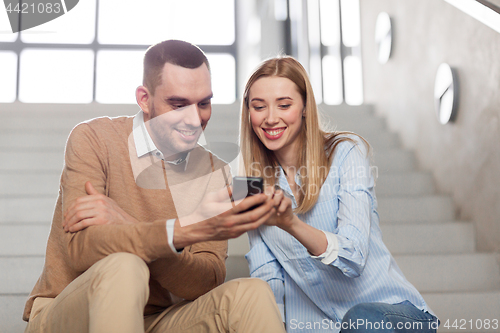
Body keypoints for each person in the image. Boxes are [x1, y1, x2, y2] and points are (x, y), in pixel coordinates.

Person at [23, 40, 286, 333]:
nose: (195, 118)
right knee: (125, 266)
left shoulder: (215, 171)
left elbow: (206, 281)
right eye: (178, 104)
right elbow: (82, 249)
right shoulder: (93, 139)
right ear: (144, 99)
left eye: (204, 103)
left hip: (156, 320)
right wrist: (179, 233)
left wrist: (128, 224)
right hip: (70, 314)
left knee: (252, 293)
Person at [240, 56, 439, 332]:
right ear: (248, 113)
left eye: (284, 105)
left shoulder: (345, 152)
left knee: (363, 321)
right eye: (258, 107)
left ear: (305, 107)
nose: (271, 118)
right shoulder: (251, 185)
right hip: (317, 326)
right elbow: (267, 274)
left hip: (389, 316)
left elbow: (353, 256)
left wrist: (291, 224)